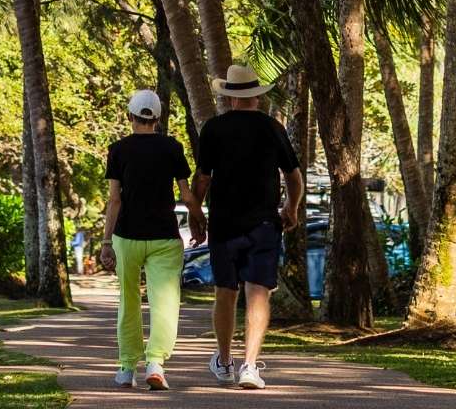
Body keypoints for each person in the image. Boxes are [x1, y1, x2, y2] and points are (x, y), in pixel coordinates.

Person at [193, 65, 304, 390]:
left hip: (225, 224)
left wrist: (197, 214)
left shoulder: (213, 128)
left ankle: (225, 362)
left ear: (229, 95)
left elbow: (203, 178)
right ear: (258, 95)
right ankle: (250, 367)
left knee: (225, 293)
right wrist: (291, 208)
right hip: (264, 223)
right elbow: (293, 176)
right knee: (258, 294)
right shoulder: (273, 128)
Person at [100, 89, 206, 391]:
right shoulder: (172, 147)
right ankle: (156, 362)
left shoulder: (118, 149)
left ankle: (125, 367)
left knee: (128, 302)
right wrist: (199, 220)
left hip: (127, 237)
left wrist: (106, 242)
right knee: (165, 303)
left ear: (131, 116)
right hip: (164, 237)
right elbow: (186, 195)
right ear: (158, 118)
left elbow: (115, 201)